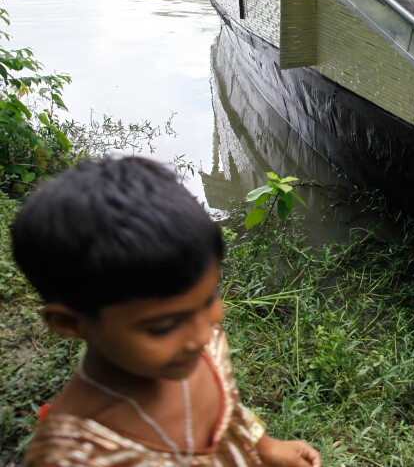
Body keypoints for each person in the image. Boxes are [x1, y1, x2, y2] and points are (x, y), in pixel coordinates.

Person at [11, 156, 322, 467]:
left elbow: (230, 408)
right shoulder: (74, 457)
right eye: (163, 326)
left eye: (209, 299)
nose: (202, 335)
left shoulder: (203, 345)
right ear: (71, 323)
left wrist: (264, 446)